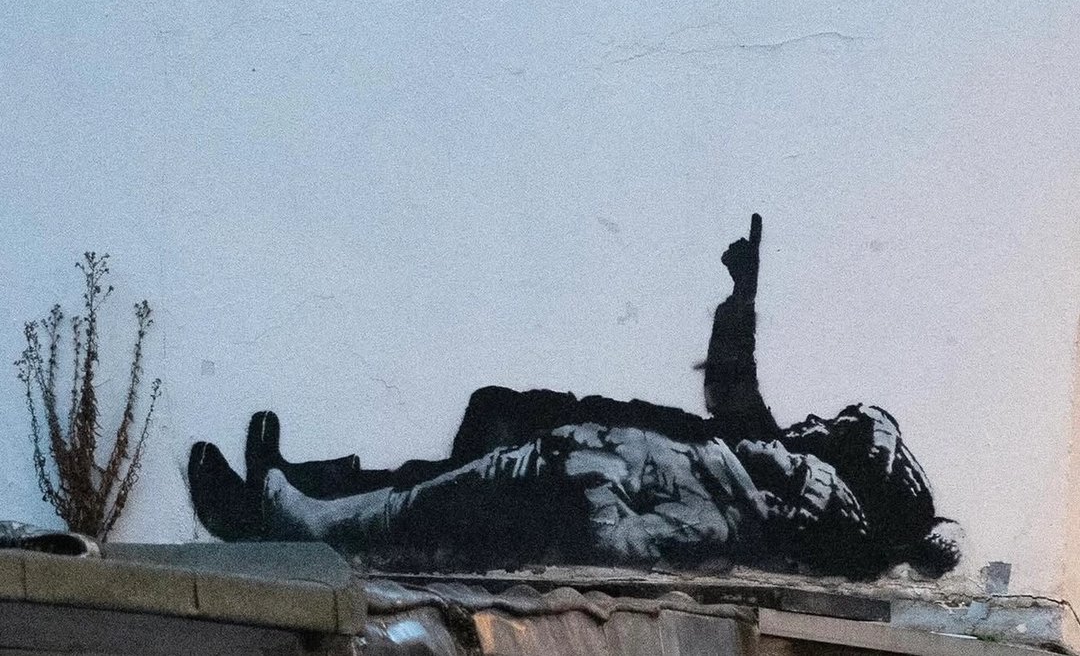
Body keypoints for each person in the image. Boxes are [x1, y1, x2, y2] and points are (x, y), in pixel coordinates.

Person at [188, 215, 960, 578]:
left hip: (641, 472)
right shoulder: (796, 467)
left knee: (482, 465)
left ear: (860, 469)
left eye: (838, 429)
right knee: (494, 416)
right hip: (640, 451)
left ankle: (282, 512)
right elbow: (734, 397)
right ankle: (305, 491)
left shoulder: (809, 498)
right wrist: (740, 299)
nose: (820, 421)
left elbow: (731, 413)